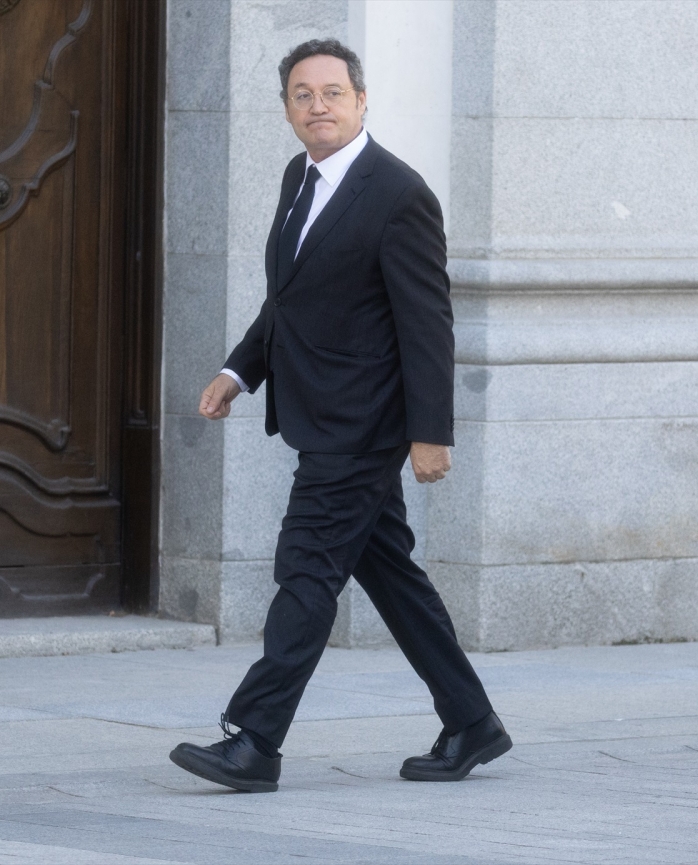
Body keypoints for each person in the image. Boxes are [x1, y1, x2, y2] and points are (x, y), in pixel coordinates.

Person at [169, 39, 510, 792]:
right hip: (320, 413)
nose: (316, 105)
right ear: (288, 109)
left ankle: (254, 738)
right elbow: (290, 299)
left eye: (331, 92)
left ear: (361, 102)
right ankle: (473, 720)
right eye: (301, 94)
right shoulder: (302, 176)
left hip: (363, 425)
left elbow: (428, 324)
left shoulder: (398, 193)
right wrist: (238, 370)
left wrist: (431, 431)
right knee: (388, 571)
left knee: (306, 567)